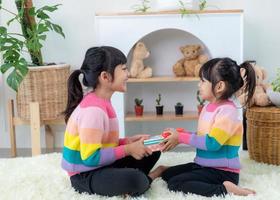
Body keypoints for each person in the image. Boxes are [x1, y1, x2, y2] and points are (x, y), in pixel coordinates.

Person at [61, 46, 161, 197]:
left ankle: (127, 180)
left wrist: (127, 142)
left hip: (100, 166)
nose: (128, 74)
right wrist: (128, 149)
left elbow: (103, 143)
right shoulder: (93, 111)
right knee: (136, 180)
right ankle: (150, 177)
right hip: (84, 175)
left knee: (152, 151)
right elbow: (90, 158)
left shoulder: (103, 102)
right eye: (123, 69)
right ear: (105, 77)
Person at [158, 57, 257, 197]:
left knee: (175, 183)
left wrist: (182, 137)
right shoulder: (208, 107)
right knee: (167, 173)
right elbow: (202, 136)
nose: (199, 85)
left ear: (219, 86)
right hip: (203, 166)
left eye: (203, 81)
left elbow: (212, 143)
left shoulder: (228, 111)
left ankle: (225, 189)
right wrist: (181, 135)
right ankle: (162, 172)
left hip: (223, 172)